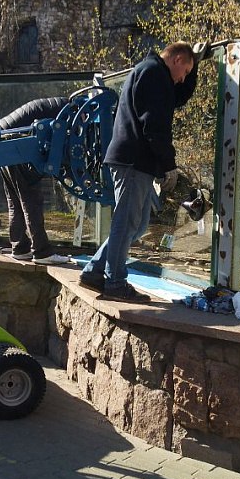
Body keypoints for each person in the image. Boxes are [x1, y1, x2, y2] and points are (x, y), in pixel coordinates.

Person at [79, 41, 198, 301]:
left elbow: (177, 97)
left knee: (137, 224)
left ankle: (94, 272)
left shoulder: (154, 74)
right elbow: (154, 126)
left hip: (134, 161)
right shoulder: (153, 73)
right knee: (126, 223)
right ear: (177, 60)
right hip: (133, 161)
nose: (183, 79)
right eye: (186, 71)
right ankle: (115, 283)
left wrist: (196, 65)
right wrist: (169, 164)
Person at [0, 98, 71, 265]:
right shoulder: (69, 111)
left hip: (2, 144)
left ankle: (20, 248)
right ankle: (42, 252)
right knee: (31, 201)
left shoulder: (54, 105)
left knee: (15, 202)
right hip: (17, 147)